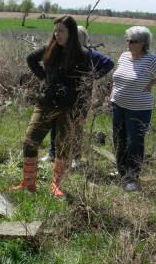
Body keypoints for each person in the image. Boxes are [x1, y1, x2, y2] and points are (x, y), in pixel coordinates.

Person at [10, 15, 93, 197]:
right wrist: (44, 78)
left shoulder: (83, 55)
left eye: (61, 30)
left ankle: (57, 185)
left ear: (71, 32)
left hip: (68, 107)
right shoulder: (50, 49)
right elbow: (31, 58)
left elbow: (87, 85)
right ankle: (28, 183)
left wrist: (82, 112)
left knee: (62, 147)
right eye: (55, 30)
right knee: (29, 141)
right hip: (46, 104)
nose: (57, 34)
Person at [110, 26, 156, 191]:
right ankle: (122, 172)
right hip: (118, 105)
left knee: (134, 142)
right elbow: (117, 78)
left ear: (142, 44)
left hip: (138, 108)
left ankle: (133, 177)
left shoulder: (149, 59)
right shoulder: (124, 56)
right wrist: (111, 97)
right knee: (119, 139)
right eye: (127, 40)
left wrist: (152, 82)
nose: (128, 43)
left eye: (132, 41)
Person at [40, 25, 115, 168]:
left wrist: (92, 76)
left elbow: (109, 63)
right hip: (61, 96)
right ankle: (53, 153)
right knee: (55, 124)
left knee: (77, 127)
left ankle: (76, 158)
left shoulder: (89, 53)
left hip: (81, 97)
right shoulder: (63, 51)